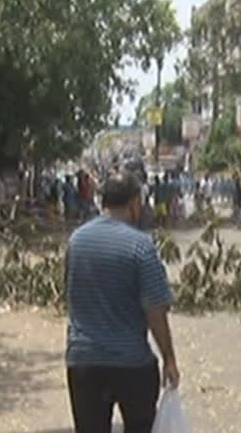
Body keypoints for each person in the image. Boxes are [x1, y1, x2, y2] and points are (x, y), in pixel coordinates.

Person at [65, 172, 179, 433]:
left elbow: (71, 296)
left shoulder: (76, 240)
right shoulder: (141, 246)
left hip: (83, 361)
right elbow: (155, 311)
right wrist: (169, 358)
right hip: (131, 363)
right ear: (134, 203)